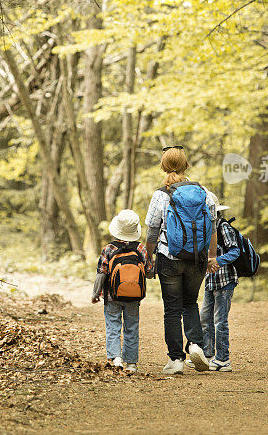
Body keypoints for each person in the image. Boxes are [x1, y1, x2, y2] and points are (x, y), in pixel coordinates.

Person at [145, 146, 216, 375]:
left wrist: (149, 258)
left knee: (172, 309)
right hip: (197, 259)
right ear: (187, 165)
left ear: (163, 167)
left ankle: (176, 359)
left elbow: (152, 231)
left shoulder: (161, 194)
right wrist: (211, 256)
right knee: (191, 303)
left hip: (169, 258)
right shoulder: (204, 192)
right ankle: (196, 345)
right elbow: (213, 226)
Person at [92, 209, 153, 373]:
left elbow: (101, 273)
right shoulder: (141, 248)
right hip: (134, 297)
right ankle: (131, 363)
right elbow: (148, 272)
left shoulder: (109, 249)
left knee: (113, 326)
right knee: (131, 328)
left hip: (112, 296)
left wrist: (95, 293)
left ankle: (116, 358)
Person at [197, 194, 238, 372]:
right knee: (205, 319)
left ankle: (223, 359)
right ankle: (208, 355)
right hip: (210, 282)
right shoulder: (206, 230)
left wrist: (218, 261)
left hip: (225, 281)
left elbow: (235, 251)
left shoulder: (224, 227)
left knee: (220, 322)